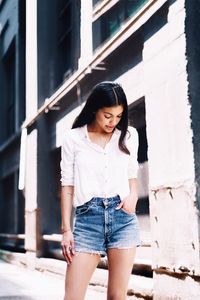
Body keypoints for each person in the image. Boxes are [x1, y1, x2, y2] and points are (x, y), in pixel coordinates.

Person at [60, 81, 141, 300]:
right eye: (108, 116)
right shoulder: (73, 139)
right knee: (73, 297)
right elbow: (67, 185)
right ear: (95, 109)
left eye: (118, 116)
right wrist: (66, 230)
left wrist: (133, 195)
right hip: (87, 221)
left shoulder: (129, 135)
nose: (113, 122)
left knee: (117, 297)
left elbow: (132, 171)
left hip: (122, 219)